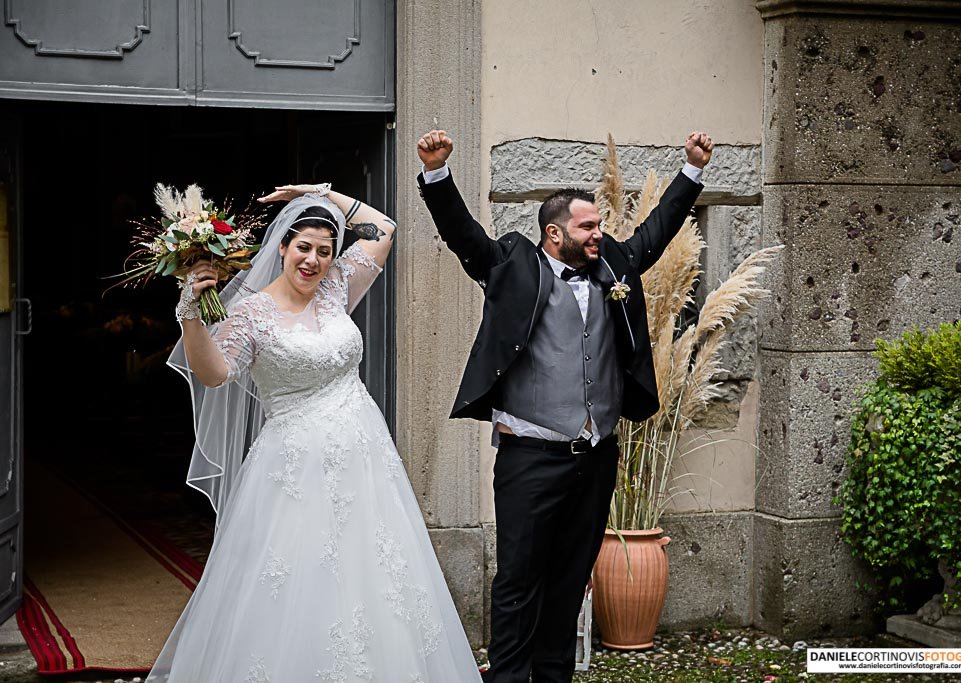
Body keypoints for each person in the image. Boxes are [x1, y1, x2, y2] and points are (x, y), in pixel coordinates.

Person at [148, 184, 481, 682]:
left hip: (365, 463)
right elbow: (216, 373)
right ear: (282, 246)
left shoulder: (336, 288)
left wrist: (319, 194)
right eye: (304, 247)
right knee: (300, 580)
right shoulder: (251, 313)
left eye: (325, 251)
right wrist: (191, 314)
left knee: (375, 576)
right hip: (294, 470)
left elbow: (384, 227)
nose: (314, 260)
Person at [416, 130, 713, 683]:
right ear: (555, 234)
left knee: (571, 577)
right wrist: (437, 174)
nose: (600, 233)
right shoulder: (513, 264)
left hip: (596, 456)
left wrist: (692, 170)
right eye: (588, 226)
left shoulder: (615, 266)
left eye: (600, 225)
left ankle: (555, 678)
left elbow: (659, 229)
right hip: (530, 454)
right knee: (518, 580)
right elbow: (465, 238)